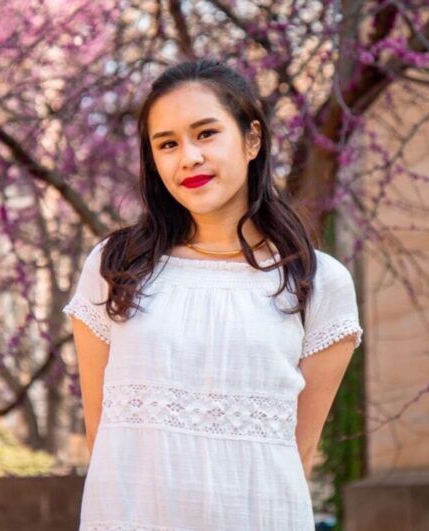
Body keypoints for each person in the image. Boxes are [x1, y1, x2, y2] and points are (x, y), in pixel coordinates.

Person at [63, 58, 363, 531]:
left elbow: (297, 452)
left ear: (252, 140)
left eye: (206, 133)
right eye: (167, 144)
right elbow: (103, 436)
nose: (189, 157)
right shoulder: (114, 267)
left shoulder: (317, 280)